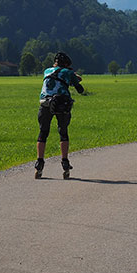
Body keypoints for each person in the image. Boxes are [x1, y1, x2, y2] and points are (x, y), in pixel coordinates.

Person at [34, 51, 84, 179]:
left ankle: (39, 163)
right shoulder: (68, 72)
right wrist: (74, 76)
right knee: (63, 132)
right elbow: (78, 86)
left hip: (45, 103)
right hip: (61, 103)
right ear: (66, 64)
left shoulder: (46, 71)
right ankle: (65, 162)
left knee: (43, 132)